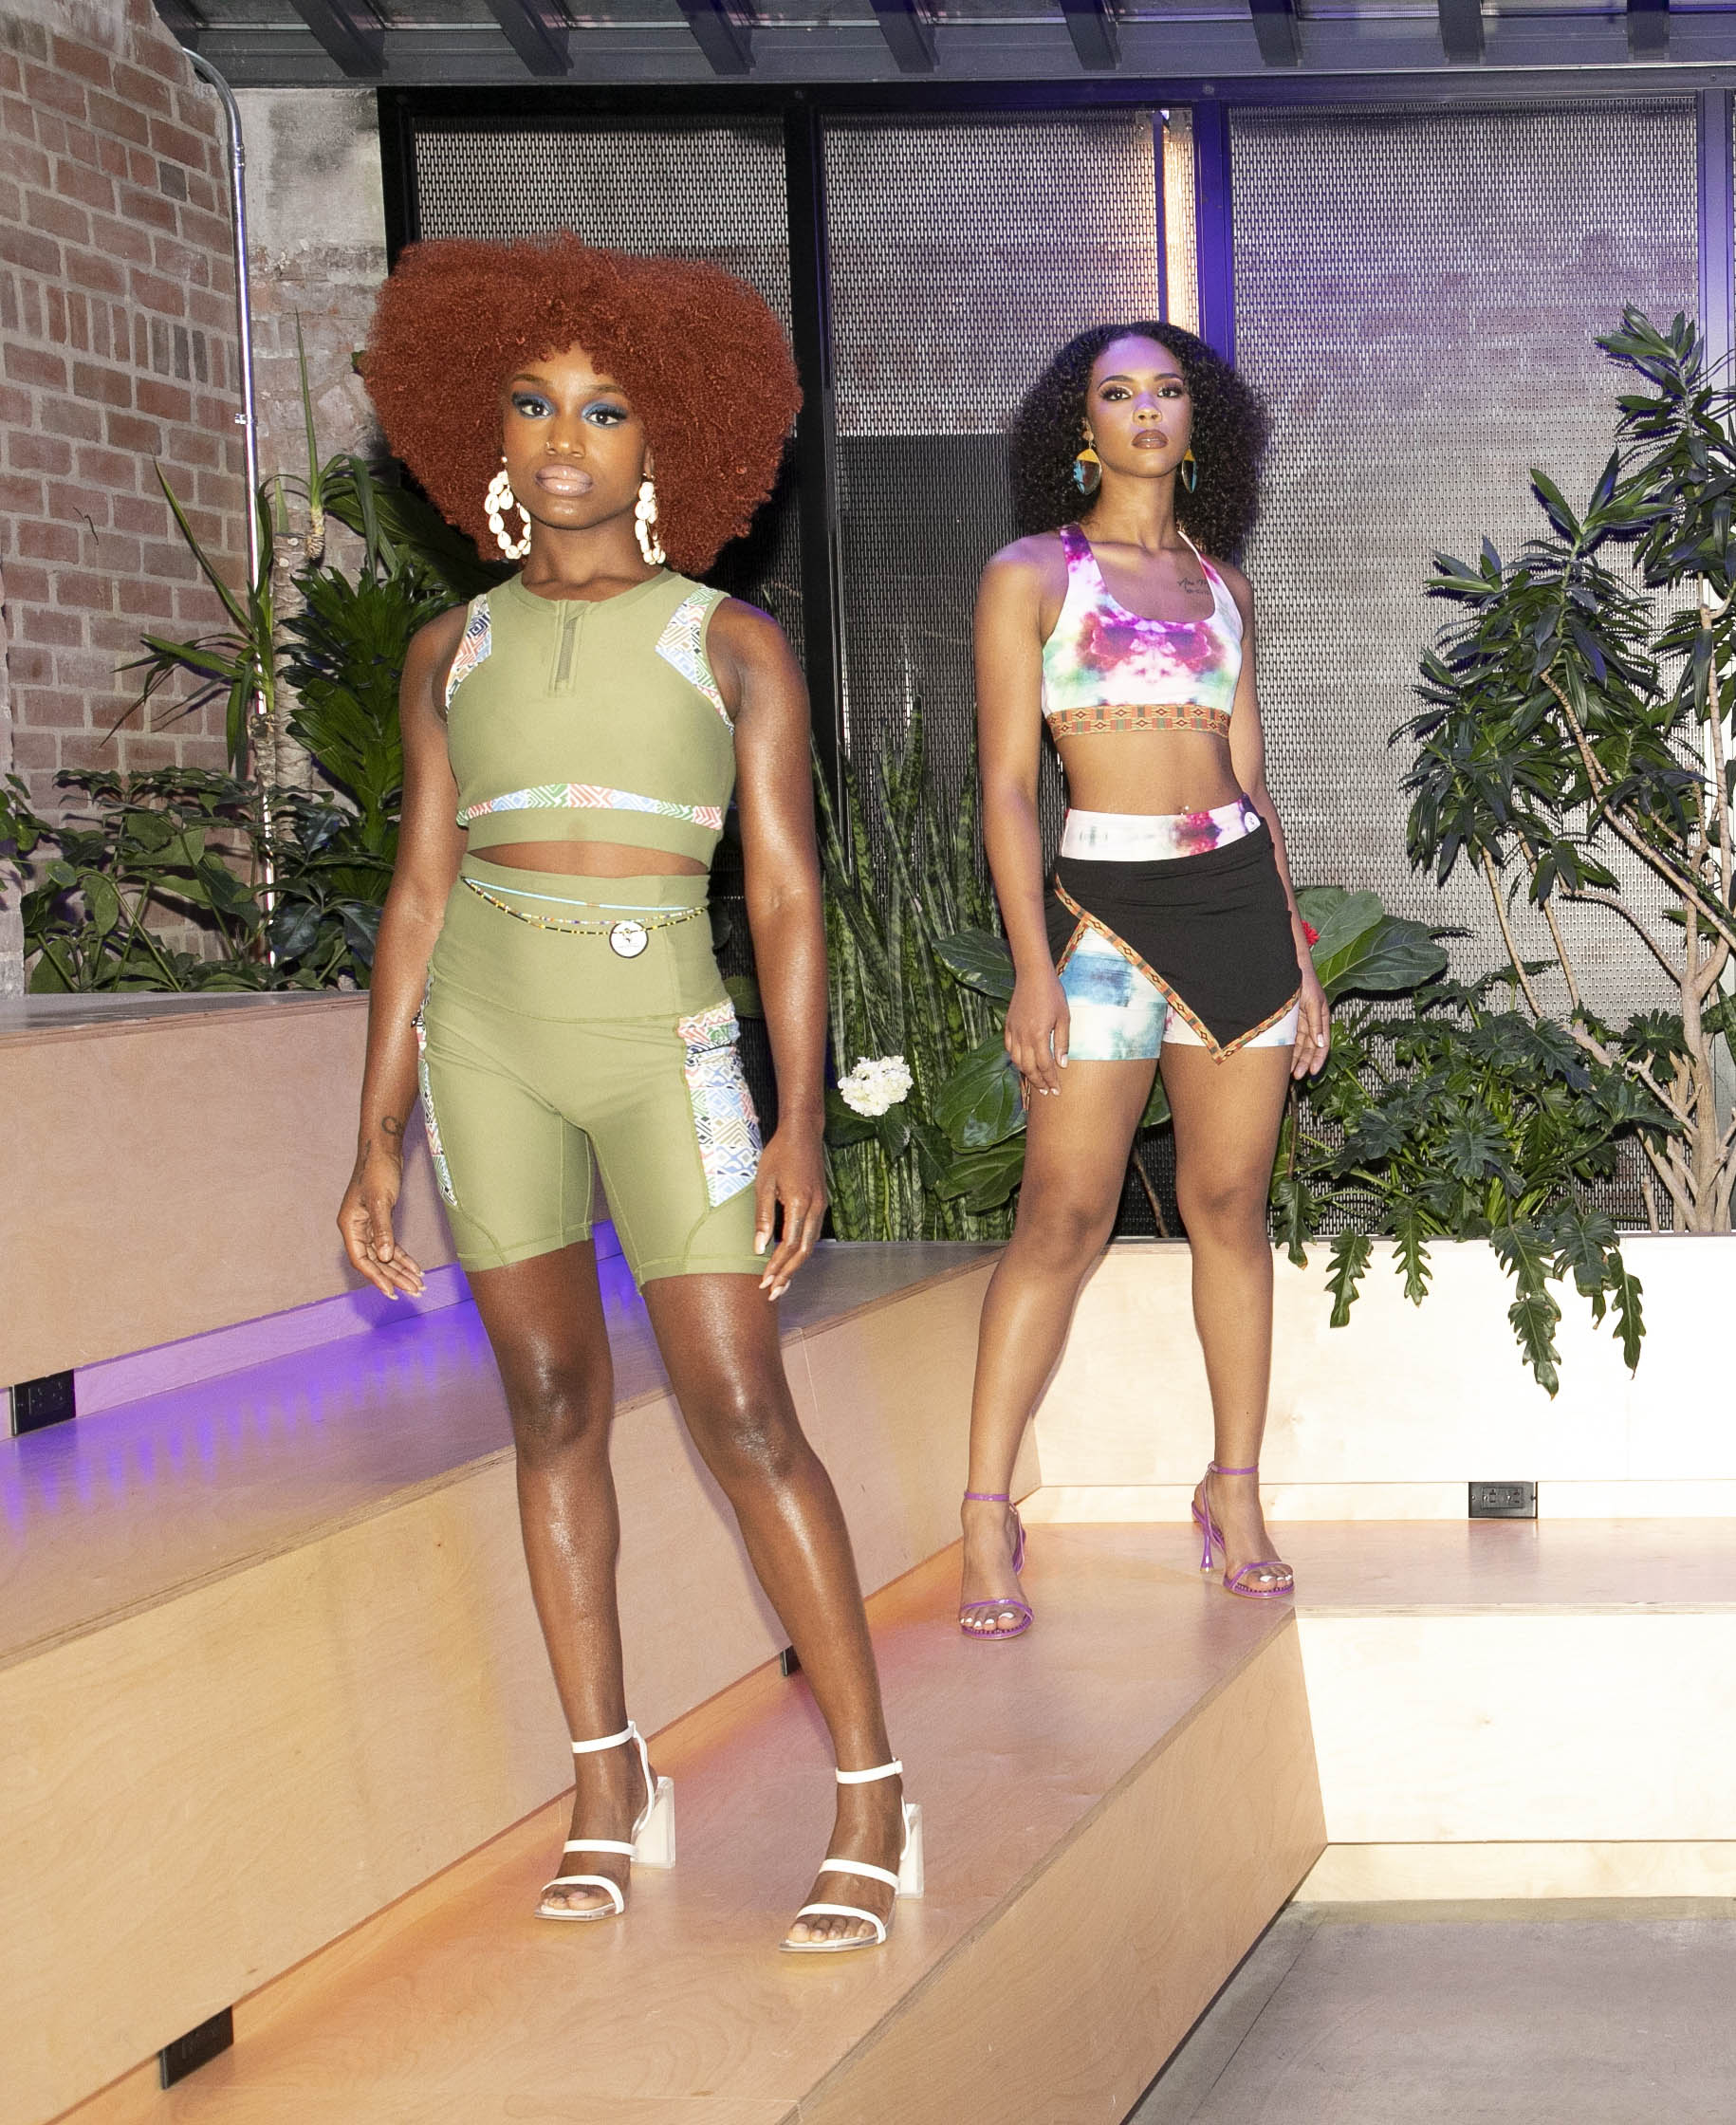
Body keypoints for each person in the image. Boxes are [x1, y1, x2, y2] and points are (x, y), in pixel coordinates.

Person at [342, 235, 918, 1950]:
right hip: (485, 1038)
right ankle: (609, 1781)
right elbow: (418, 894)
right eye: (533, 403)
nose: (564, 439)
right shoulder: (447, 650)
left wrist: (799, 1114)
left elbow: (786, 893)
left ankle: (874, 1790)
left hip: (666, 1036)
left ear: (669, 437)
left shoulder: (728, 642)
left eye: (604, 408)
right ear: (489, 431)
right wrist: (374, 1132)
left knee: (742, 1411)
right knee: (546, 1404)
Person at [951, 321, 1327, 1635]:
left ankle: (1233, 1491)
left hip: (1236, 908)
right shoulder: (1031, 575)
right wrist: (1030, 967)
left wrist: (1301, 958)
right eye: (1118, 393)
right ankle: (985, 1510)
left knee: (1230, 1206)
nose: (1146, 412)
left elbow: (1251, 780)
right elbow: (1008, 786)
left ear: (1196, 419)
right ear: (1083, 423)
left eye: (1167, 391)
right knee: (1063, 1214)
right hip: (1098, 917)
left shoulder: (1226, 586)